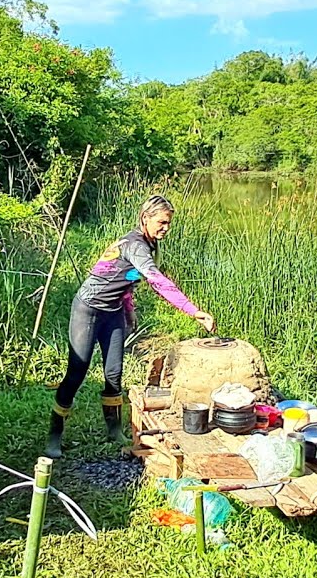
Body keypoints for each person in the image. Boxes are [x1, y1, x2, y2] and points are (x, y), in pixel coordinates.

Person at [44, 194, 215, 458]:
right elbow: (157, 281)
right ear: (145, 218)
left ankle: (114, 429)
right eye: (161, 222)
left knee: (114, 373)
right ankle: (54, 435)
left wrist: (128, 310)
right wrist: (193, 311)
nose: (166, 228)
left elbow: (126, 278)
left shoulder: (148, 244)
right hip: (88, 309)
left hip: (113, 313)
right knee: (77, 372)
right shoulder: (135, 245)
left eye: (169, 223)